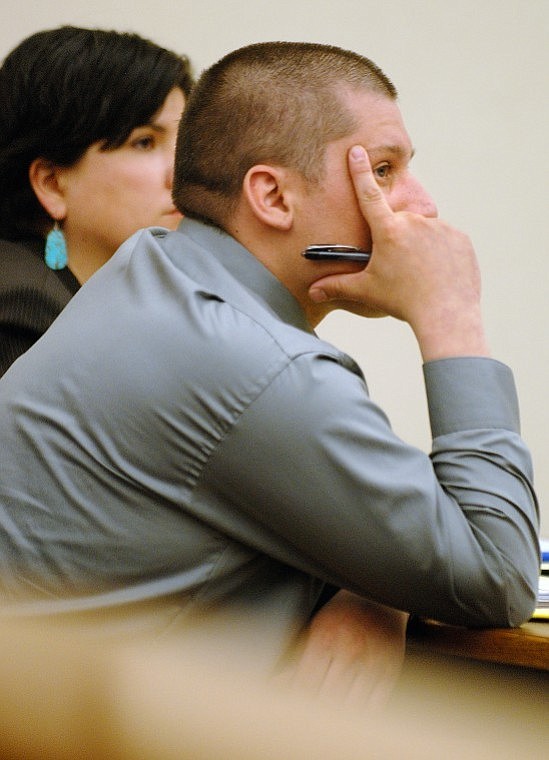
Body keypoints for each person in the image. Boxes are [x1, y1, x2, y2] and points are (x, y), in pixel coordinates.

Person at [0, 41, 540, 697]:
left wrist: (373, 585)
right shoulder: (258, 366)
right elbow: (498, 576)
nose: (419, 207)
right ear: (273, 196)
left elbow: (353, 514)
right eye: (383, 170)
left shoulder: (151, 265)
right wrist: (451, 313)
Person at [0, 26, 193, 375]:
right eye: (145, 142)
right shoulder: (20, 308)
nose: (181, 172)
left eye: (186, 142)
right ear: (53, 184)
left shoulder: (116, 300)